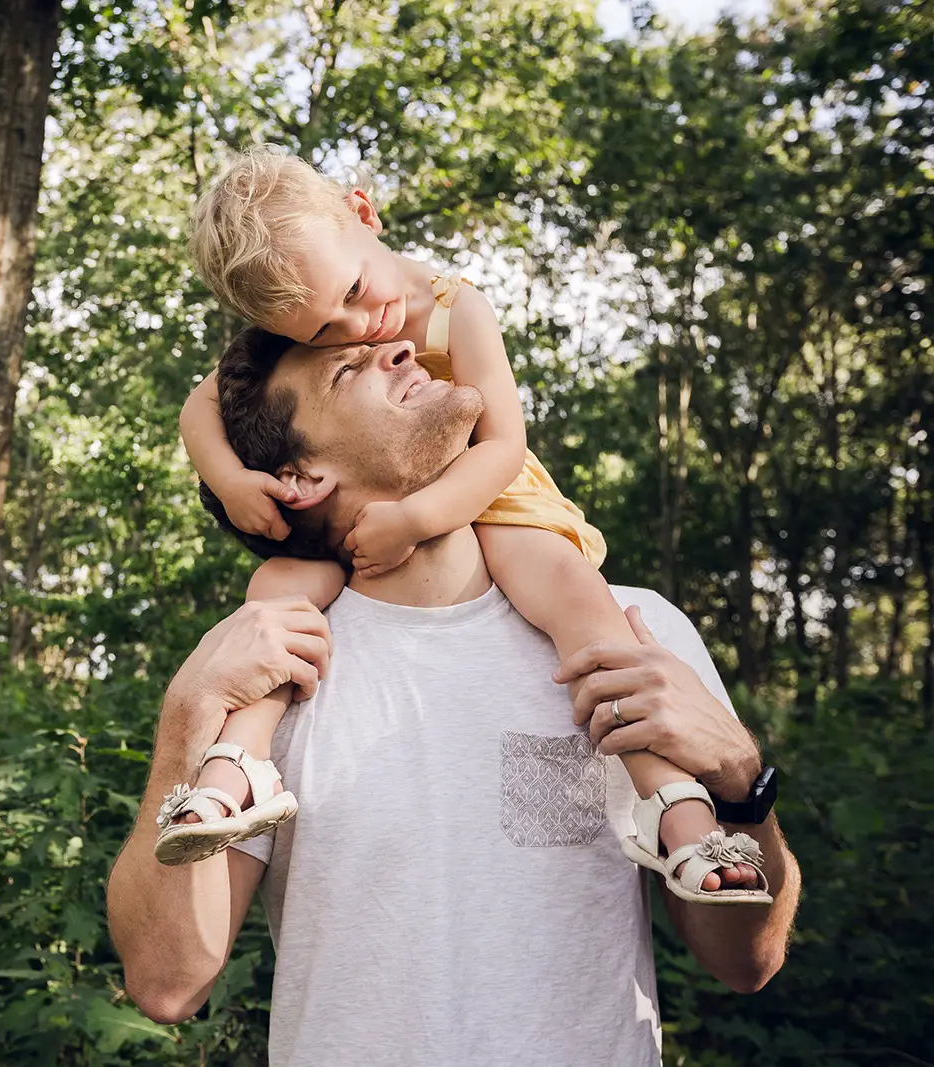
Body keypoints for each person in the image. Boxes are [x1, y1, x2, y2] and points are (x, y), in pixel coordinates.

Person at [105, 326, 800, 1065]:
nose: (405, 352)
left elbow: (746, 962)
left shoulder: (634, 633)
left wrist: (738, 775)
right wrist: (188, 712)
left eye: (395, 345)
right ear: (301, 476)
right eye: (349, 371)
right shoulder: (266, 672)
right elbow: (168, 982)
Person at [156, 148, 762, 904]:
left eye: (353, 292)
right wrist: (231, 477)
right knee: (272, 601)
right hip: (370, 510)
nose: (356, 325)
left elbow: (504, 444)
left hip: (493, 490)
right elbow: (199, 406)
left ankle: (677, 806)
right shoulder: (307, 305)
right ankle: (232, 770)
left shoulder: (455, 306)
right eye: (324, 331)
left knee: (584, 611)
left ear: (364, 211)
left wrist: (413, 517)